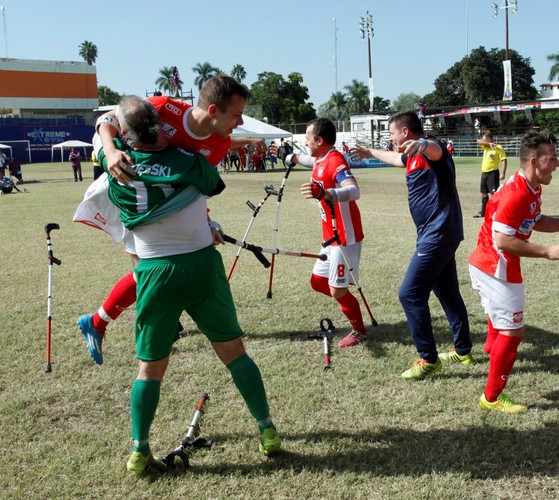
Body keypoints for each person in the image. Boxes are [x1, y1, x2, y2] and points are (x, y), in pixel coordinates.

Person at [103, 96, 282, 474]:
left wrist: (110, 142)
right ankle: (267, 429)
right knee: (235, 352)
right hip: (201, 266)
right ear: (160, 125)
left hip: (154, 272)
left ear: (126, 136)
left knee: (149, 369)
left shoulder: (115, 162)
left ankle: (139, 450)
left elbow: (105, 128)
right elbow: (212, 185)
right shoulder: (191, 161)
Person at [76, 75, 263, 365]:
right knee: (147, 271)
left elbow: (192, 189)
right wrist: (110, 151)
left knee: (148, 273)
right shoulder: (163, 106)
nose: (240, 122)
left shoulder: (219, 145)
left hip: (164, 207)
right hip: (134, 195)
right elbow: (107, 119)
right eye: (237, 115)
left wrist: (206, 223)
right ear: (214, 110)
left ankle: (101, 322)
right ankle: (127, 331)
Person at [468, 130, 559, 413]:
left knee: (502, 325)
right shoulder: (516, 193)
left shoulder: (530, 187)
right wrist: (546, 252)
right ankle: (491, 398)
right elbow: (503, 240)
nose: (557, 163)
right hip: (496, 268)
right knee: (513, 331)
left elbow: (536, 219)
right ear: (534, 161)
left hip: (489, 264)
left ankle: (491, 352)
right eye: (551, 158)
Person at [351, 111, 472, 380]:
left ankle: (428, 358)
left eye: (392, 133)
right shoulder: (411, 155)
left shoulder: (430, 149)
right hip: (438, 233)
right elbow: (395, 158)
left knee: (410, 294)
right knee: (447, 291)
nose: (391, 138)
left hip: (438, 233)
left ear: (405, 132)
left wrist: (424, 143)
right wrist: (369, 152)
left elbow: (436, 150)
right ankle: (462, 350)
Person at [285, 118, 368, 347]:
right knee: (317, 281)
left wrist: (327, 193)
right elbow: (308, 159)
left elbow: (354, 190)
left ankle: (360, 331)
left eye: (308, 138)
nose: (305, 142)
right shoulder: (320, 159)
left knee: (336, 290)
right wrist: (291, 157)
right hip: (330, 237)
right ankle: (343, 292)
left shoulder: (335, 160)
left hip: (345, 236)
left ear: (319, 140)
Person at [474, 133, 507, 218]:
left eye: (484, 139)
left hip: (493, 173)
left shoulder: (498, 148)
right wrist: (489, 144)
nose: (482, 140)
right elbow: (478, 141)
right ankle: (483, 212)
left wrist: (503, 173)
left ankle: (493, 212)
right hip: (484, 173)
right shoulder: (486, 146)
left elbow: (504, 160)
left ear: (488, 138)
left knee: (493, 194)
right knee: (484, 193)